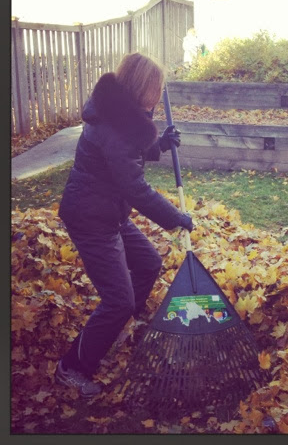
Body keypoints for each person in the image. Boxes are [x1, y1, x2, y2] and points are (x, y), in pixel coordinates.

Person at [56, 52, 193, 397]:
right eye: (155, 89)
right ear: (140, 87)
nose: (157, 97)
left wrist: (159, 144)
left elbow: (126, 149)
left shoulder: (115, 111)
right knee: (118, 301)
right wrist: (175, 218)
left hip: (109, 211)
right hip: (91, 218)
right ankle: (71, 368)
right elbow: (135, 186)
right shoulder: (114, 127)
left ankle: (119, 327)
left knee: (148, 263)